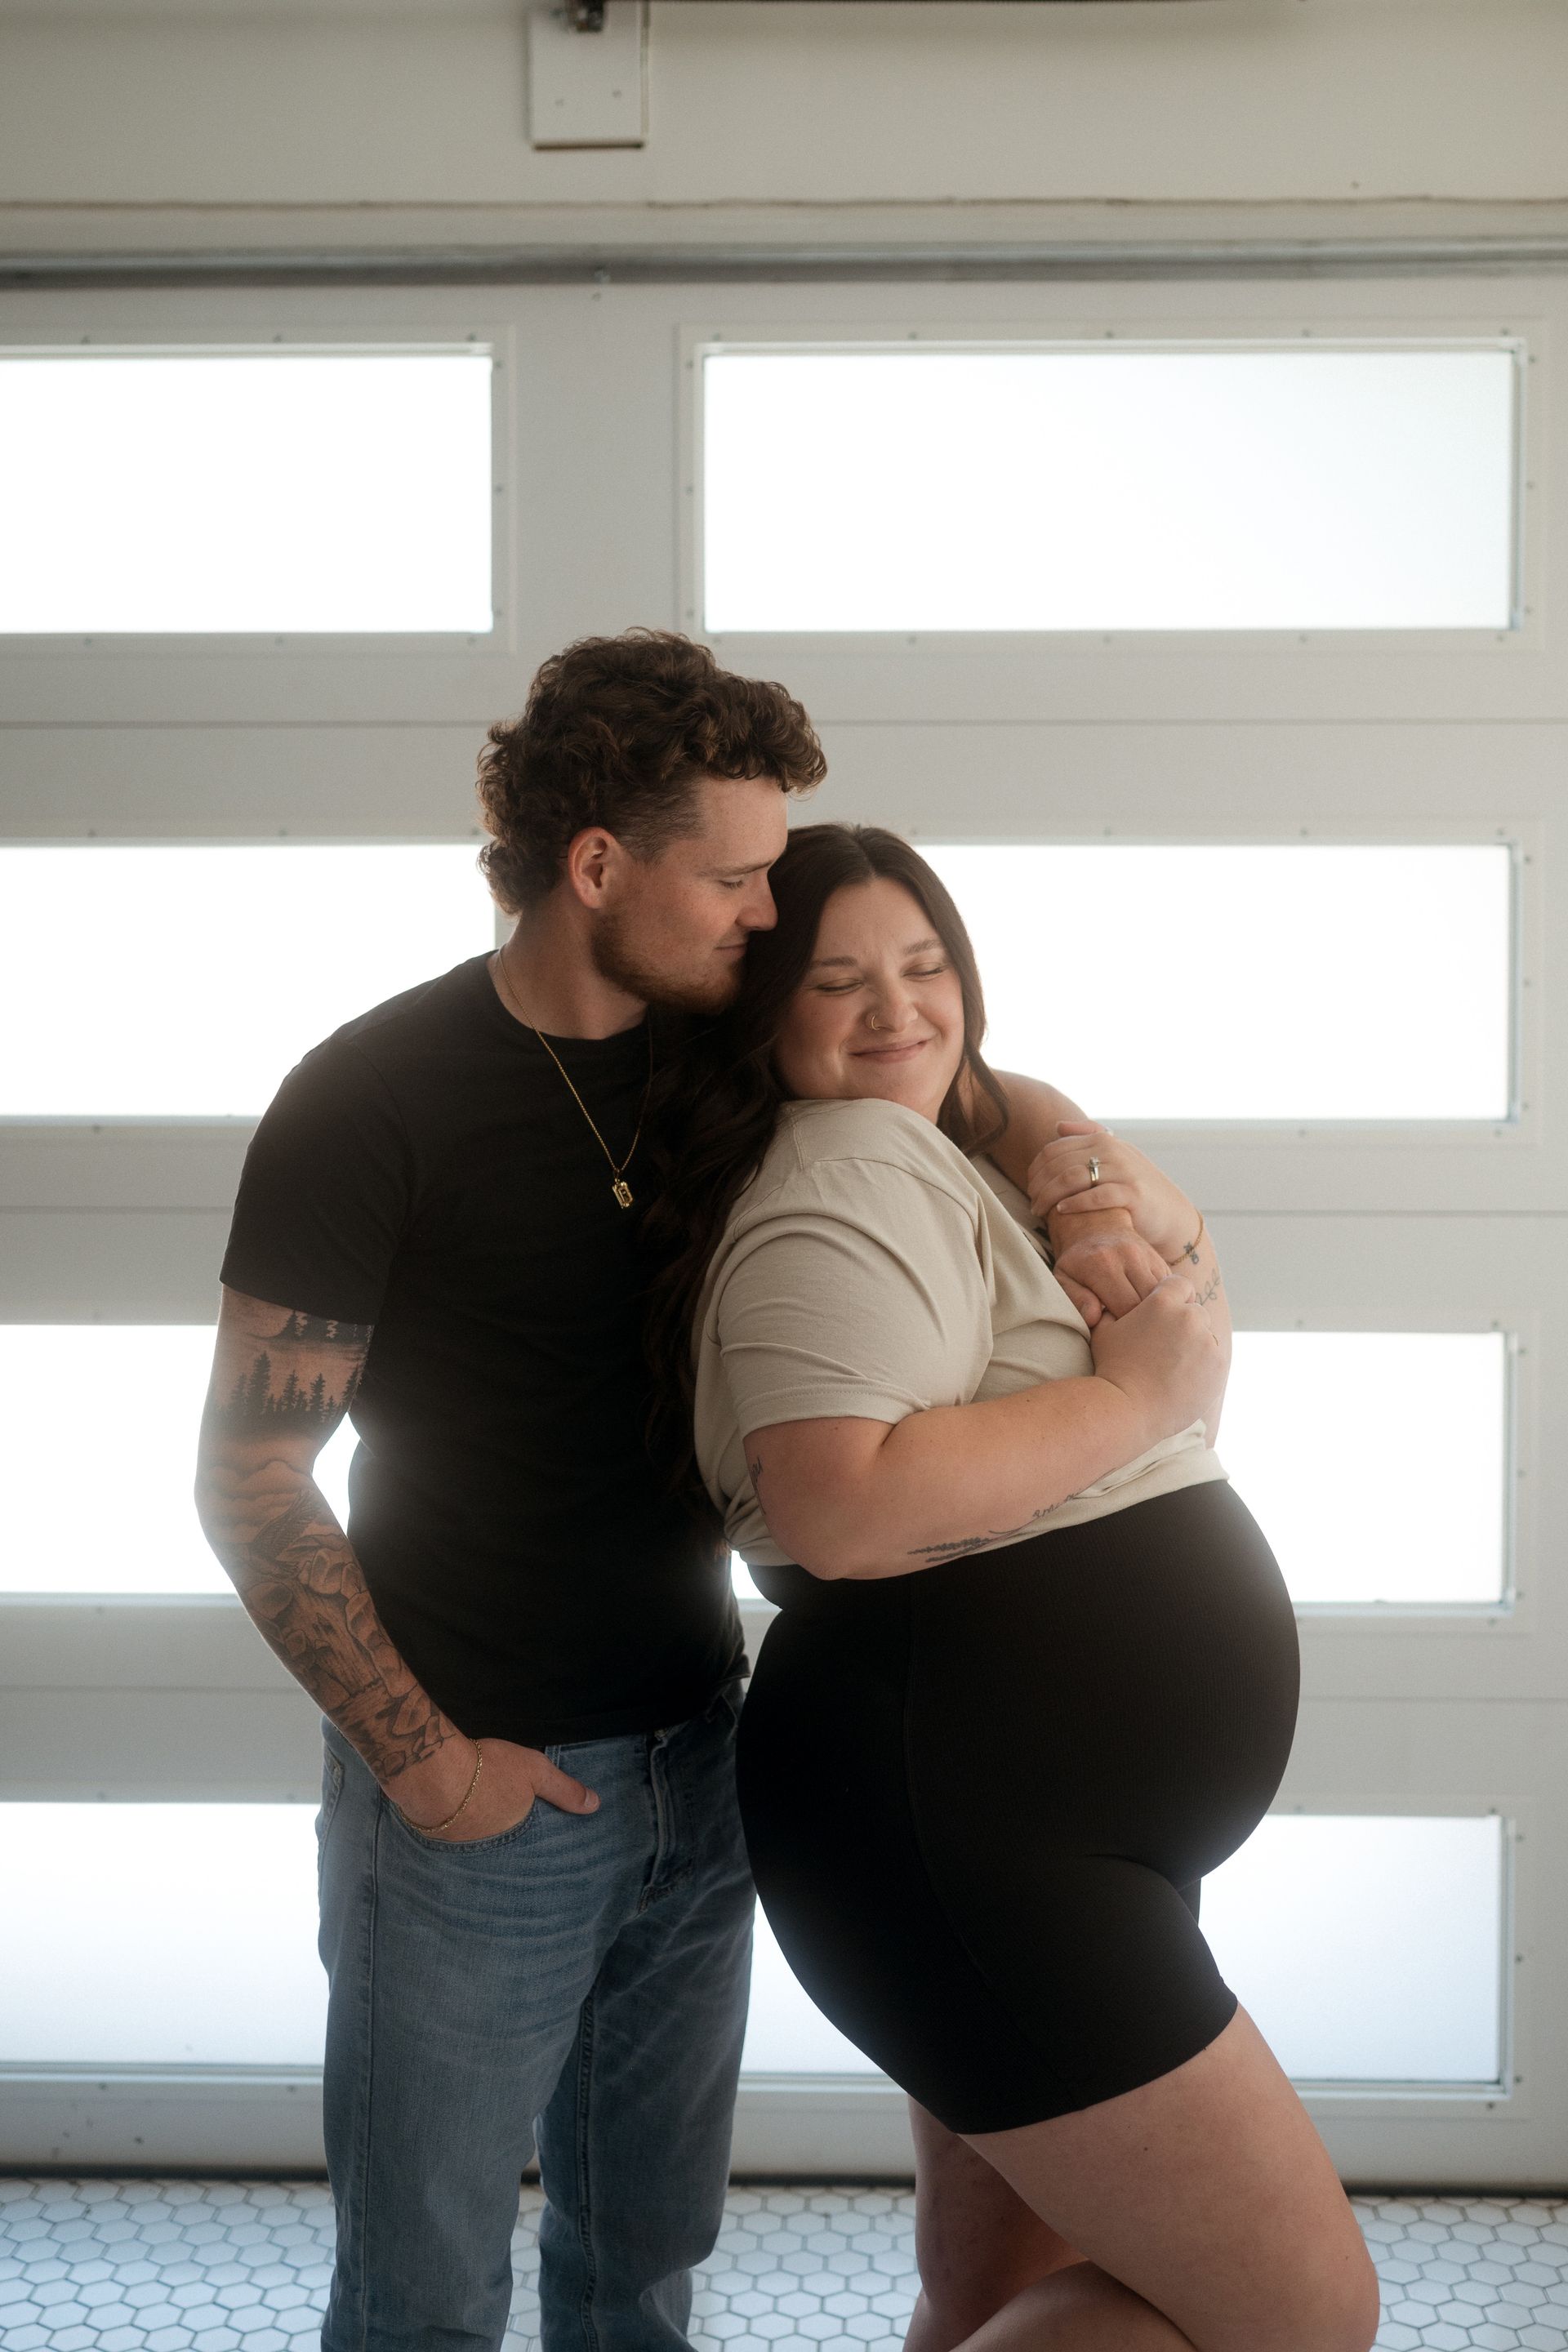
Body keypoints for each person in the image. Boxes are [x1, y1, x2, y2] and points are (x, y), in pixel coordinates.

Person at [192, 633, 1120, 2352]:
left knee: (642, 2275)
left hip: (706, 1761)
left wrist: (1084, 1178)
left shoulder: (723, 1057)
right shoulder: (368, 1101)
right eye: (740, 875)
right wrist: (431, 1769)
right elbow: (249, 1473)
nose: (770, 914)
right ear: (600, 866)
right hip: (477, 1801)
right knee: (424, 2295)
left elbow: (963, 1073)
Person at [647, 822, 1381, 2352]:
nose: (896, 1008)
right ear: (759, 1010)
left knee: (989, 2286)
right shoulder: (843, 1178)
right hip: (973, 1840)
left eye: (926, 968)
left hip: (1015, 1835)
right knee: (1298, 2319)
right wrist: (1141, 1398)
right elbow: (836, 1507)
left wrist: (1083, 1185)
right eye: (836, 980)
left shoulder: (938, 1143)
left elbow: (1163, 1233)